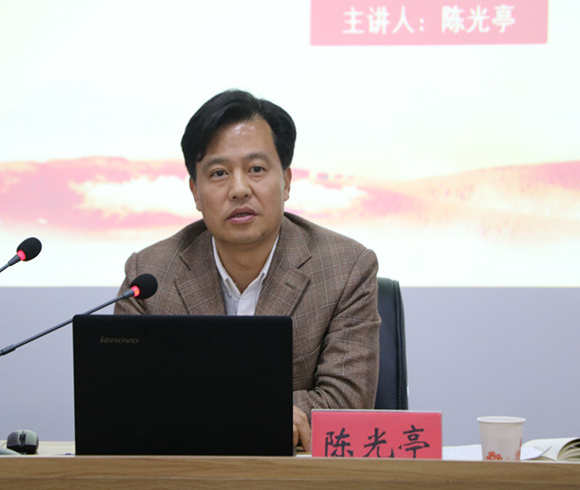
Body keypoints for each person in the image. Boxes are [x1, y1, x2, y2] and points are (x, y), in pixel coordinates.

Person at [114, 89, 380, 452]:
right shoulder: (149, 275)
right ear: (195, 192)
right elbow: (127, 399)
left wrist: (207, 412)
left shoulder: (345, 268)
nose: (239, 189)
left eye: (256, 169)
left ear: (286, 182)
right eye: (219, 173)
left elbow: (347, 402)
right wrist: (260, 414)